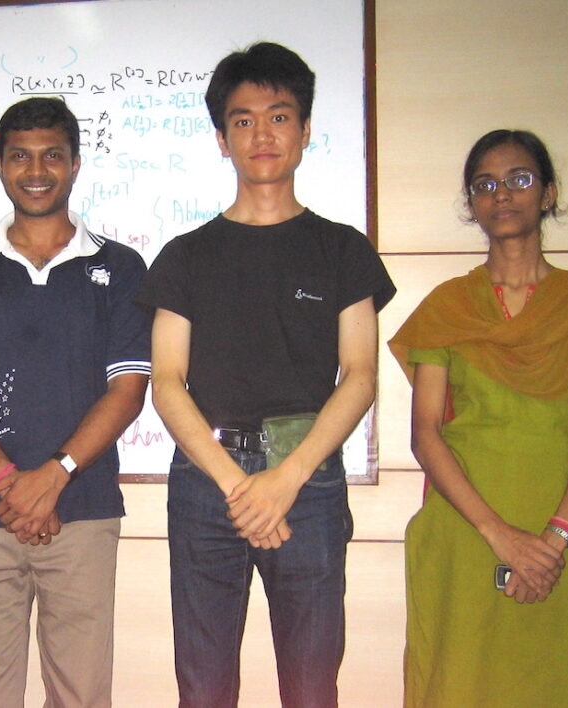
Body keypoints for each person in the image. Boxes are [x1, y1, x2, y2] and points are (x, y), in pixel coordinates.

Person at [137, 42, 395, 707]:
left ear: (305, 130)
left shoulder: (342, 249)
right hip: (206, 484)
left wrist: (285, 479)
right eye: (243, 119)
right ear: (222, 139)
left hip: (306, 479)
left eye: (279, 116)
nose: (262, 133)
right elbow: (167, 382)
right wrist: (238, 487)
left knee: (311, 688)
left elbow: (361, 375)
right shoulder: (185, 256)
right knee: (203, 687)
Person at [388, 129, 568, 707]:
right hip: (468, 530)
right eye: (484, 184)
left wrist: (552, 542)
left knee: (561, 683)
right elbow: (425, 434)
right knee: (460, 683)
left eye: (518, 179)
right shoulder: (446, 309)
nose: (501, 194)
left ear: (549, 193)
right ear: (472, 205)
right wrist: (500, 535)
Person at [0, 96, 150, 708]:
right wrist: (9, 482)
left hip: (85, 507)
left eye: (52, 155)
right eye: (19, 156)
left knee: (81, 692)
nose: (36, 170)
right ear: (0, 165)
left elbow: (127, 391)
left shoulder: (120, 267)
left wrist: (54, 477)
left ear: (75, 164)